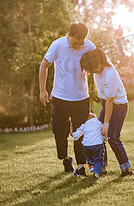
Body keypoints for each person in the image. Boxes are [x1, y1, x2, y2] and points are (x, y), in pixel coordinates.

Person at [39, 22, 95, 176]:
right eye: (76, 42)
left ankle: (81, 167)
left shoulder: (90, 46)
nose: (78, 45)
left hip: (81, 98)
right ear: (69, 35)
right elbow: (44, 65)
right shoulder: (57, 45)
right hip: (60, 98)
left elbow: (97, 68)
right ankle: (65, 158)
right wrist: (42, 90)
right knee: (59, 133)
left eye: (81, 43)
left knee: (80, 134)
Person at [80, 48, 133, 177]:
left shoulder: (110, 74)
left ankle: (126, 169)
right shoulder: (98, 64)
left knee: (113, 137)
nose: (93, 72)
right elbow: (95, 52)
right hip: (107, 104)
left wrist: (107, 122)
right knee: (98, 135)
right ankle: (102, 168)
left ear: (100, 63)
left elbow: (110, 101)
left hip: (118, 106)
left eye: (93, 68)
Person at [72, 112, 104, 178]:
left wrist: (72, 134)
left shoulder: (84, 125)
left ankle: (91, 164)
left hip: (86, 146)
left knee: (88, 156)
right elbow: (103, 131)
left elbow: (76, 136)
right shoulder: (98, 123)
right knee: (98, 159)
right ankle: (97, 174)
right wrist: (104, 138)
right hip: (97, 145)